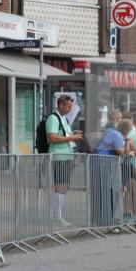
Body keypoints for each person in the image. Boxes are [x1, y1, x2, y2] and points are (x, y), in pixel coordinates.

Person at [48, 95, 84, 227]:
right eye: (68, 107)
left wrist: (72, 135)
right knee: (60, 186)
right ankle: (56, 215)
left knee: (63, 186)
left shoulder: (63, 118)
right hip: (59, 156)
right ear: (61, 105)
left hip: (66, 156)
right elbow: (52, 137)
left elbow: (62, 135)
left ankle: (57, 214)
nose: (70, 109)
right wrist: (71, 138)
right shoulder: (54, 118)